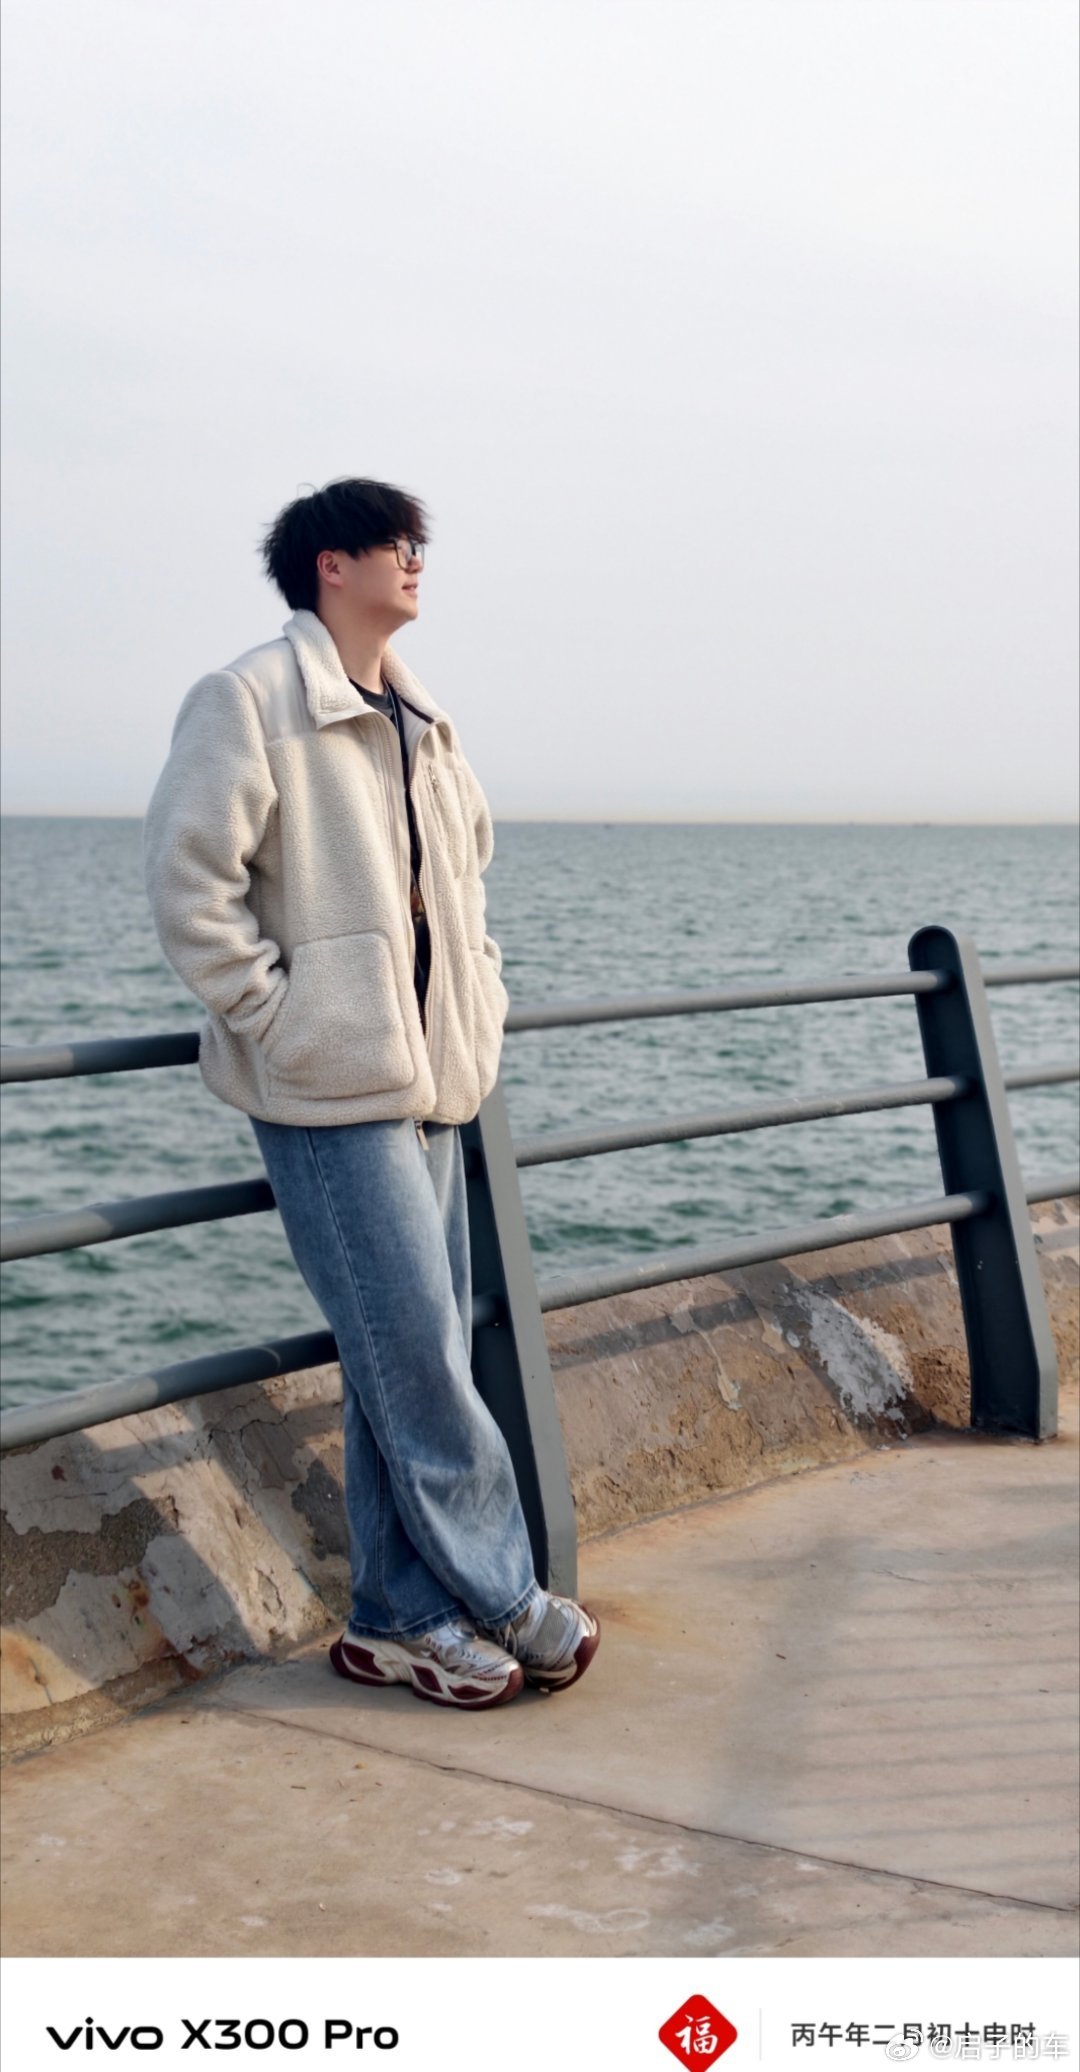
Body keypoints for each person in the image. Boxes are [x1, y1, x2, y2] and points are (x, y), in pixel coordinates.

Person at [143, 476, 599, 1711]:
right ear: (329, 564)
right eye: (394, 542)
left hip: (434, 1077)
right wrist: (280, 1017)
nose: (416, 559)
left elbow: (468, 879)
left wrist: (479, 996)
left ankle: (395, 1619)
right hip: (327, 1089)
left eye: (420, 543)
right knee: (419, 1356)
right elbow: (189, 886)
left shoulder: (422, 715)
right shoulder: (247, 697)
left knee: (399, 1353)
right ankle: (505, 1592)